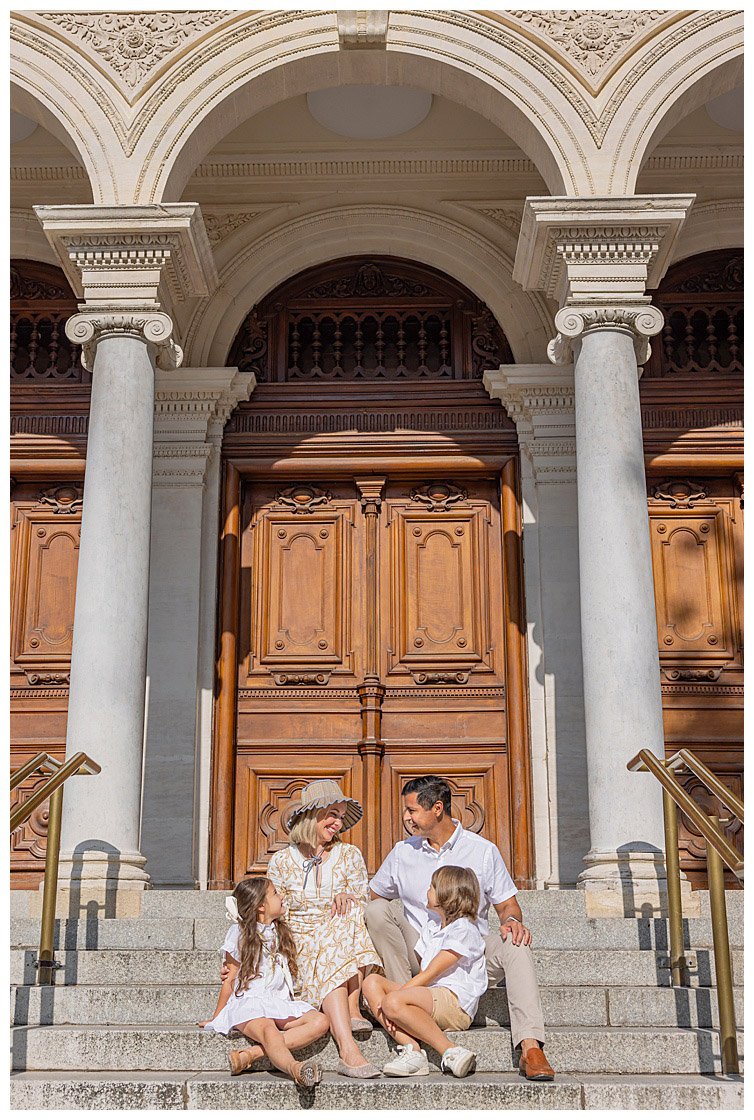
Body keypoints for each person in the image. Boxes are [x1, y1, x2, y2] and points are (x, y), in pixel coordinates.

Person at [366, 775, 555, 1081]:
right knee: (375, 910)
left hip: (470, 950)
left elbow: (508, 905)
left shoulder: (482, 850)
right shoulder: (403, 852)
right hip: (421, 948)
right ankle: (407, 1008)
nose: (405, 817)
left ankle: (531, 1046)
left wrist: (512, 921)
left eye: (412, 810)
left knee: (516, 944)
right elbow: (376, 898)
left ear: (437, 808)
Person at [267, 780, 382, 1078]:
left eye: (341, 816)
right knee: (335, 933)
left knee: (350, 912)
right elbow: (274, 913)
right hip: (300, 945)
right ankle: (348, 1044)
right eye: (332, 814)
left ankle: (352, 1011)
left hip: (340, 936)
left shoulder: (349, 854)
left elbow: (364, 901)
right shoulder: (280, 861)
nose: (338, 823)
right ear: (312, 815)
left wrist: (349, 897)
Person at [201, 876, 329, 1087]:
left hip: (278, 1001)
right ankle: (295, 1069)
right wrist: (217, 1018)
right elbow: (231, 978)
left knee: (320, 1022)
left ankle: (250, 1054)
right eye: (275, 894)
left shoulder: (280, 930)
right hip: (250, 1002)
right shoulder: (239, 932)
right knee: (268, 1029)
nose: (281, 897)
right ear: (261, 906)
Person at [362, 865, 485, 1078]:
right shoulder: (433, 927)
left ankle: (450, 1050)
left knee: (392, 1002)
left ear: (447, 894)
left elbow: (431, 973)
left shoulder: (464, 929)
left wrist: (395, 996)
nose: (426, 892)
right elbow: (418, 962)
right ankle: (413, 1052)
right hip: (431, 997)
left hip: (454, 1003)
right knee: (371, 983)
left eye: (432, 887)